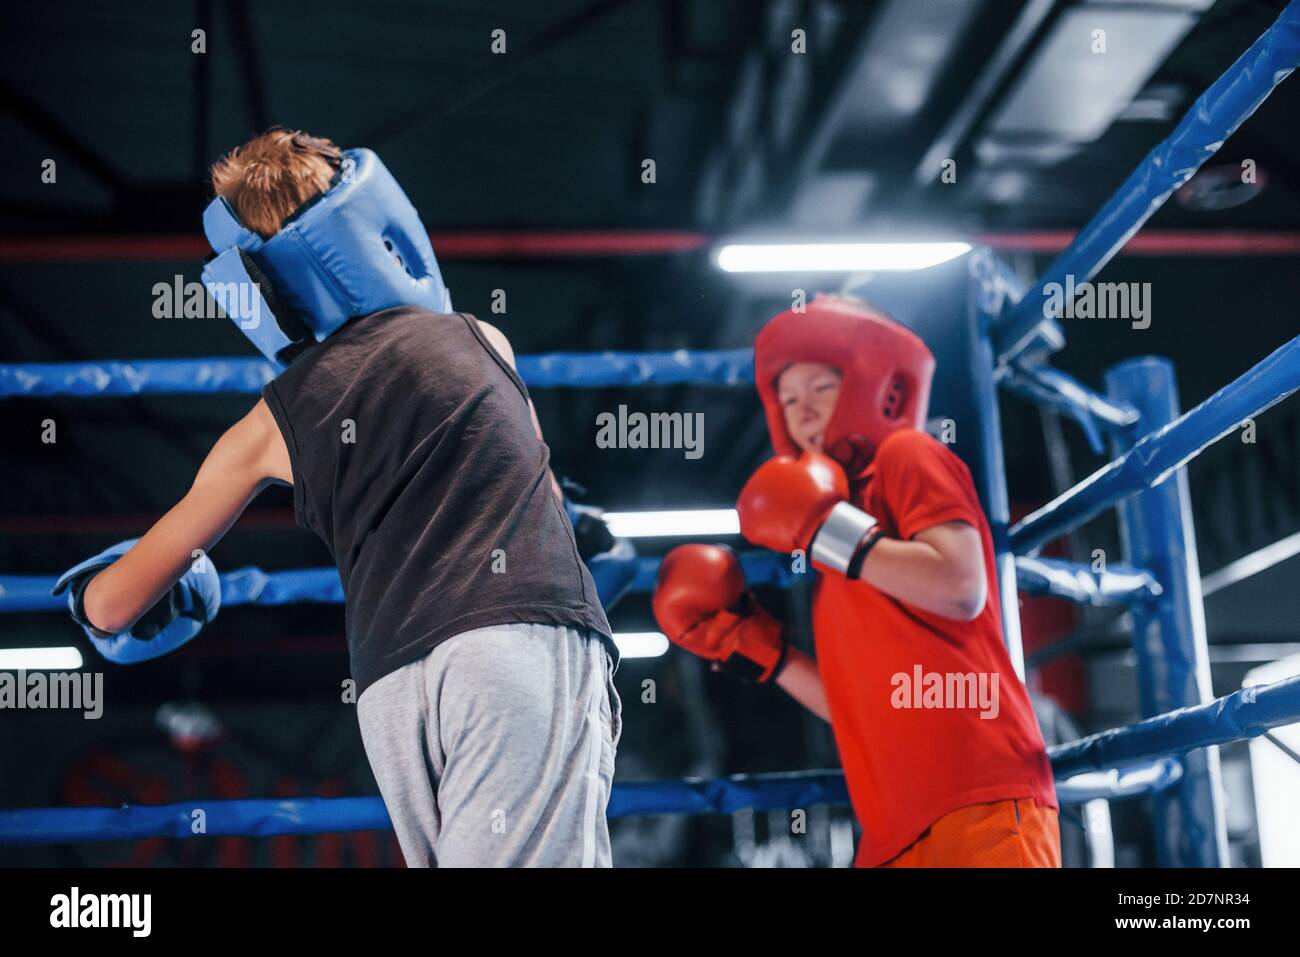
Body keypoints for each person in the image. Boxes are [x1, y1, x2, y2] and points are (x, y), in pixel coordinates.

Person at [53, 128, 621, 868]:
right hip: (515, 639)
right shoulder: (481, 339)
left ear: (258, 288)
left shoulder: (266, 424)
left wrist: (160, 587)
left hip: (391, 686)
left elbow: (106, 607)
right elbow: (535, 484)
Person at [653, 294, 1059, 867]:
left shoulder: (906, 455)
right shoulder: (836, 537)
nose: (803, 411)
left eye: (822, 387)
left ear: (876, 385)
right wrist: (753, 647)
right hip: (891, 824)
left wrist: (826, 533)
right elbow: (852, 703)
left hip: (977, 793)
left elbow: (962, 584)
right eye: (789, 398)